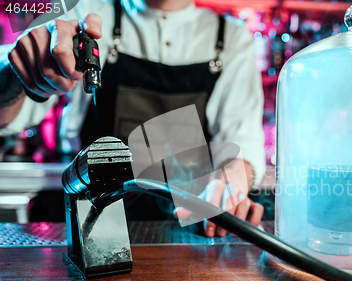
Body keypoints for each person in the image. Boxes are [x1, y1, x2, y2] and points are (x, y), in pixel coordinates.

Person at [0, 0, 266, 237]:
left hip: (188, 232)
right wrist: (15, 74)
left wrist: (229, 187)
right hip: (93, 225)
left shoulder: (231, 38)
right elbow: (10, 115)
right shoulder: (86, 14)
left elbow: (241, 138)